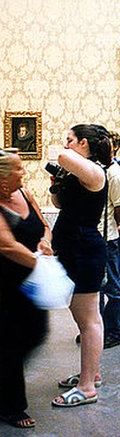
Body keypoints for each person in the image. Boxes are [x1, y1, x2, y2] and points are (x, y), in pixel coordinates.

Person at [0, 148, 52, 428]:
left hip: (32, 281)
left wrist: (46, 241)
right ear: (2, 177)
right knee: (8, 342)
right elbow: (5, 245)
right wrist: (40, 263)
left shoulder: (23, 193)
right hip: (4, 285)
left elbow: (44, 225)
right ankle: (10, 406)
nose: (23, 172)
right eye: (18, 168)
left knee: (36, 333)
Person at [50, 124, 111, 408]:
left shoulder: (96, 171)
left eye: (70, 139)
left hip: (85, 250)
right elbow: (59, 204)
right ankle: (91, 373)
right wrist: (57, 183)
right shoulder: (80, 173)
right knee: (81, 316)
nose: (66, 144)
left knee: (89, 321)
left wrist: (65, 160)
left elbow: (63, 157)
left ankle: (87, 387)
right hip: (73, 248)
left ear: (83, 142)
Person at [103, 132, 120, 350]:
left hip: (110, 238)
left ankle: (114, 330)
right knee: (97, 288)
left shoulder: (114, 173)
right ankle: (98, 329)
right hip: (99, 237)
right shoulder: (101, 170)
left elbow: (118, 207)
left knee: (114, 287)